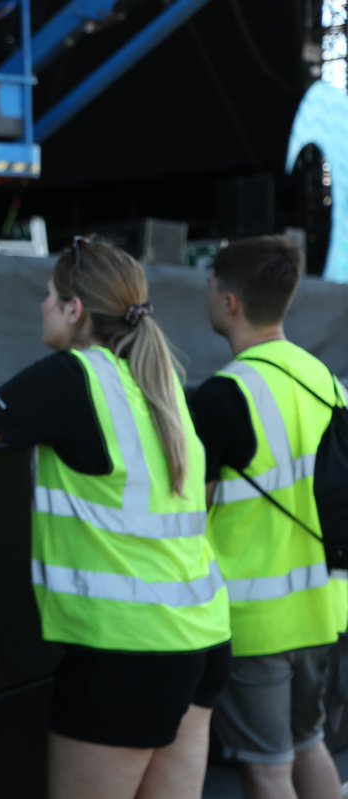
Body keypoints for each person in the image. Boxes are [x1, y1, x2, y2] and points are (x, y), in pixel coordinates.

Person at [0, 237, 231, 799]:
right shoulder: (158, 381)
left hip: (127, 652)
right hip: (203, 637)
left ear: (75, 310)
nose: (42, 307)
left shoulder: (72, 377)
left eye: (49, 296)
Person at [190, 235, 345, 799]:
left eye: (210, 287)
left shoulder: (221, 398)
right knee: (310, 745)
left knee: (267, 768)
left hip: (257, 620)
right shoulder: (326, 381)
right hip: (325, 611)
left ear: (229, 301)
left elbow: (190, 512)